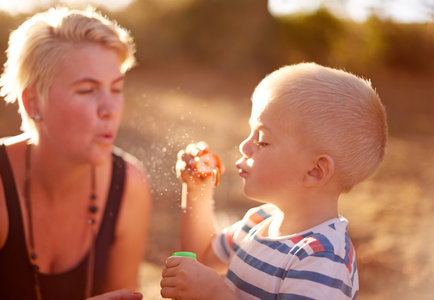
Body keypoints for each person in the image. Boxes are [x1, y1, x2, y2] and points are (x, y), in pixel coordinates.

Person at [160, 62, 388, 299]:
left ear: (315, 171)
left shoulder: (321, 259)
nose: (244, 146)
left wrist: (216, 294)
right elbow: (203, 257)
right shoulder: (258, 221)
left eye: (261, 140)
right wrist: (198, 189)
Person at [0, 6, 151, 300]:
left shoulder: (129, 186)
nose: (109, 109)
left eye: (116, 89)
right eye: (87, 90)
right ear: (33, 103)